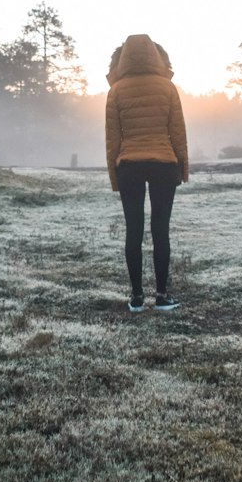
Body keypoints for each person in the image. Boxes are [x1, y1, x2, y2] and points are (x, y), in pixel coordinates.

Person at [105, 34, 189, 312]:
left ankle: (137, 296)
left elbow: (112, 139)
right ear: (155, 56)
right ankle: (163, 295)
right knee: (160, 229)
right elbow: (178, 132)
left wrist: (114, 176)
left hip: (129, 164)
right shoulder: (168, 88)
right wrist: (182, 168)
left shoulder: (116, 90)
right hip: (164, 163)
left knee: (133, 230)